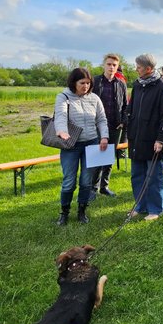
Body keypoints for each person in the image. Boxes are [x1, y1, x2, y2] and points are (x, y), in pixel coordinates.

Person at [55, 67, 109, 225]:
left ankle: (82, 211)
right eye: (82, 83)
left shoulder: (94, 98)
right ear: (74, 82)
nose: (85, 86)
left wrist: (104, 136)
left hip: (91, 143)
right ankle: (64, 213)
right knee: (69, 181)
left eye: (88, 83)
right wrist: (62, 131)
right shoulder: (64, 97)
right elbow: (60, 115)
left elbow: (101, 119)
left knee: (86, 181)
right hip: (70, 144)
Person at [126, 54, 163, 221]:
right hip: (136, 138)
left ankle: (156, 209)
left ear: (149, 69)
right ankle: (140, 206)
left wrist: (160, 138)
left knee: (153, 177)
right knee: (137, 175)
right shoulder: (137, 84)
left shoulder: (160, 86)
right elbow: (131, 107)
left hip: (153, 140)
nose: (136, 69)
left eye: (138, 66)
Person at [89, 53, 128, 200]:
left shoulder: (121, 84)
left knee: (109, 158)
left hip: (115, 126)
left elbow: (125, 105)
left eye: (114, 65)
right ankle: (93, 188)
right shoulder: (95, 82)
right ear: (104, 65)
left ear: (117, 67)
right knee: (97, 157)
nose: (111, 67)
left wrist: (123, 121)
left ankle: (104, 187)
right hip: (97, 126)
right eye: (109, 64)